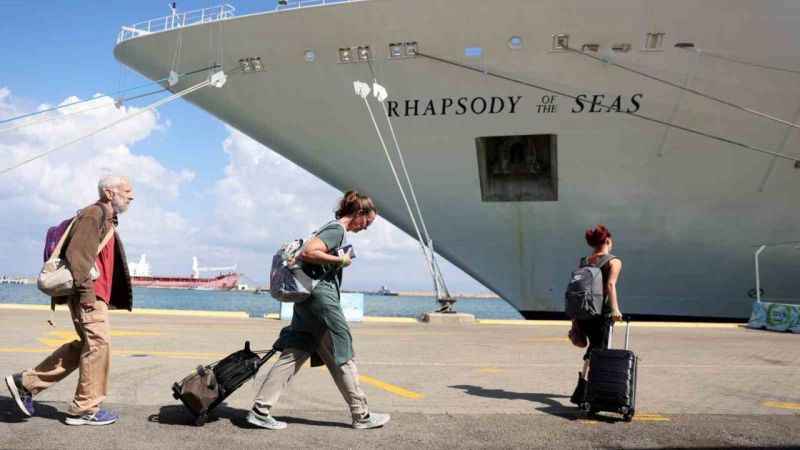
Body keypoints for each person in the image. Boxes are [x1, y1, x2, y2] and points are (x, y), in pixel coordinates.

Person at [248, 190, 390, 430]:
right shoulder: (337, 230)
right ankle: (361, 415)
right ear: (358, 213)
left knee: (297, 349)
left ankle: (260, 410)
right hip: (321, 297)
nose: (367, 227)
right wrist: (340, 261)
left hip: (308, 296)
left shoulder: (333, 228)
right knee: (342, 347)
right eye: (368, 221)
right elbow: (309, 252)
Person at [5, 175, 135, 425]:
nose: (132, 196)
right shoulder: (93, 215)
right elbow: (78, 257)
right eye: (127, 191)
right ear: (109, 192)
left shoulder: (106, 218)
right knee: (98, 346)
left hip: (93, 296)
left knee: (86, 347)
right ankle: (85, 409)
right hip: (89, 296)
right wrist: (88, 296)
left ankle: (26, 383)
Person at [569, 224, 623, 405]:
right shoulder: (613, 261)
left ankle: (582, 387)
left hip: (583, 313)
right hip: (601, 314)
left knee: (593, 348)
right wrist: (615, 309)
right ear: (608, 240)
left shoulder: (585, 261)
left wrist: (575, 320)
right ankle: (588, 391)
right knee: (600, 350)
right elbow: (610, 285)